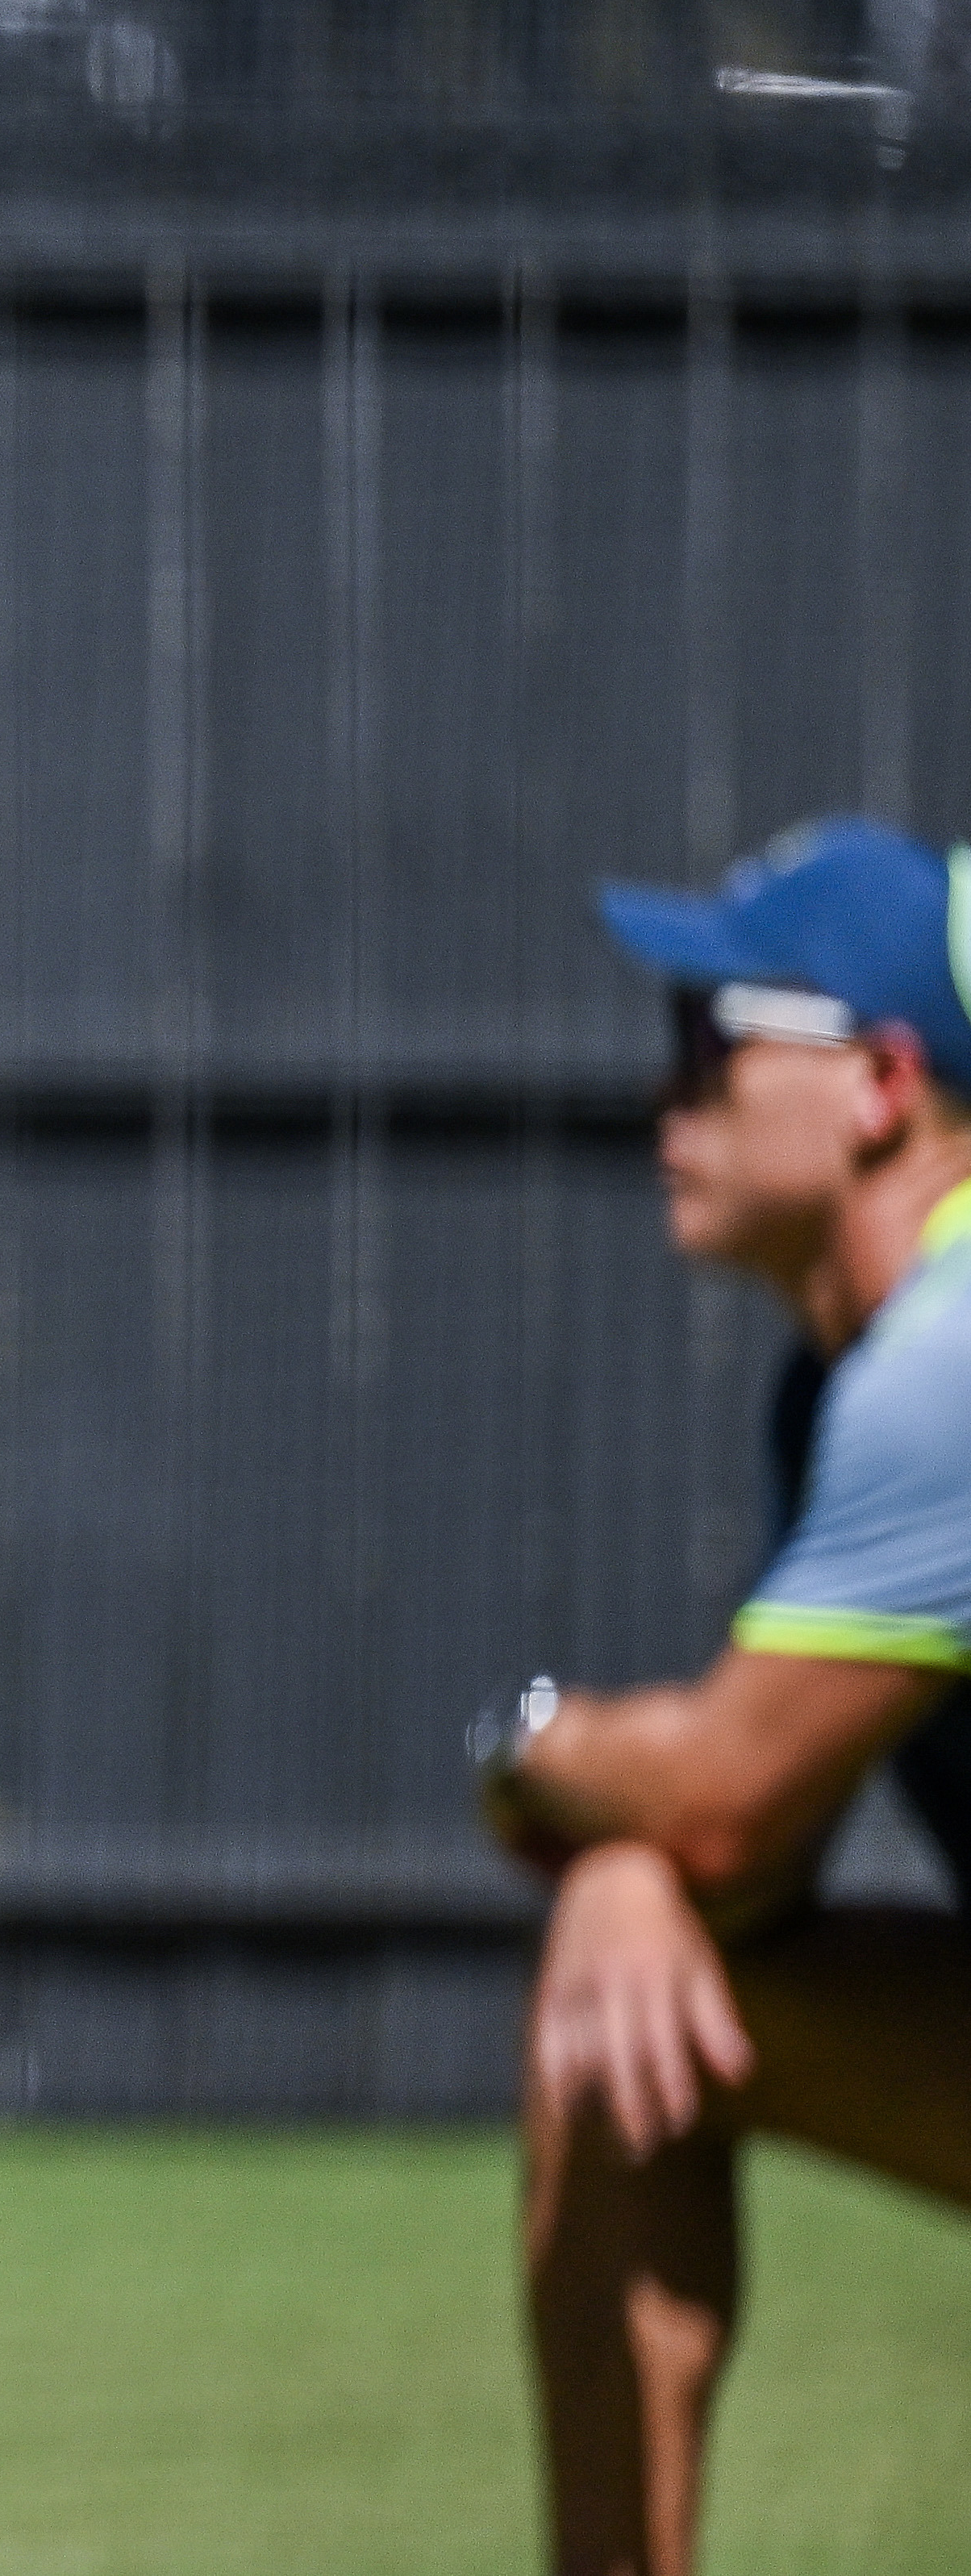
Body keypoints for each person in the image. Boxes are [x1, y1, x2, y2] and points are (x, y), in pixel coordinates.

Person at [481, 815, 971, 2576]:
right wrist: (627, 1868)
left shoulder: (950, 1359)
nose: (666, 1096)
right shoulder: (837, 1384)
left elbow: (713, 1797)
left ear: (878, 1085)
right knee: (630, 2017)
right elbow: (734, 1850)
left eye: (714, 1038)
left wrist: (537, 1748)